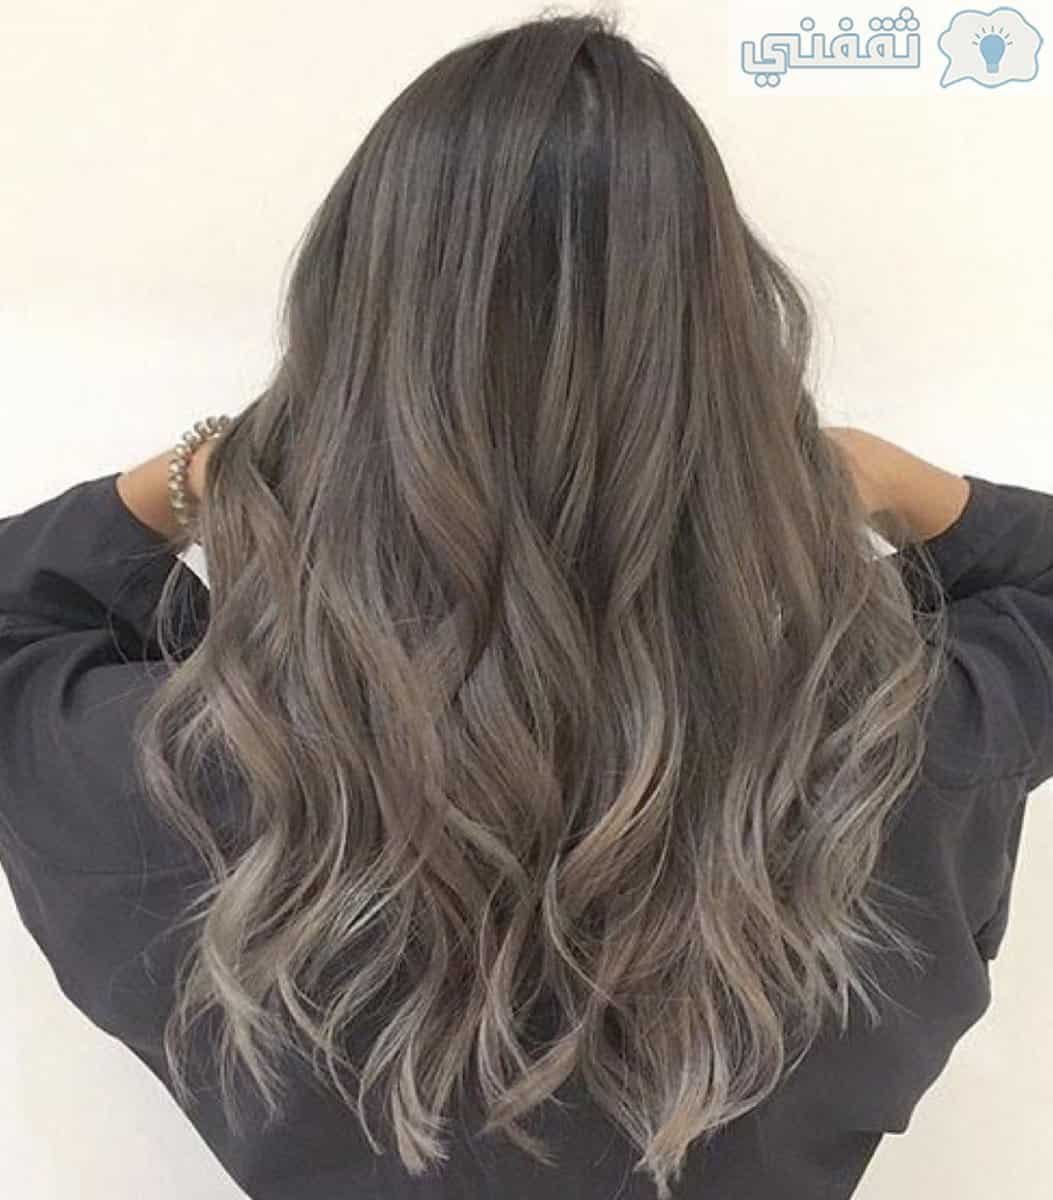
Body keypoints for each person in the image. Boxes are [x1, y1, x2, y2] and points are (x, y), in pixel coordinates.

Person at [1, 12, 1050, 1200]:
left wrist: (212, 469)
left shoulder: (172, 779)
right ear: (726, 351)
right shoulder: (899, 756)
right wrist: (871, 472)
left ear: (345, 350)